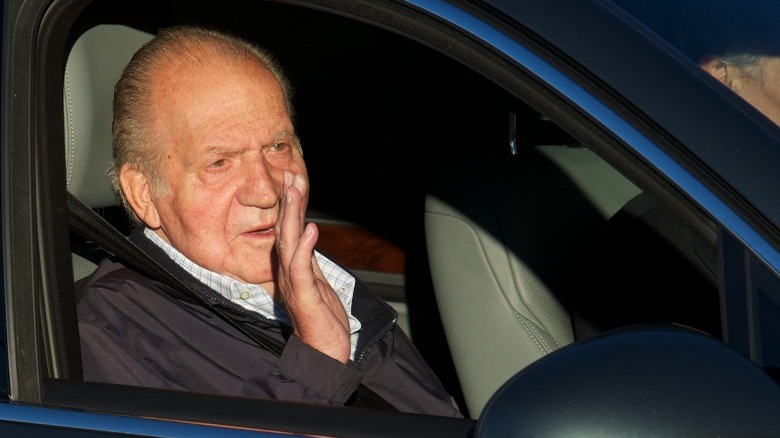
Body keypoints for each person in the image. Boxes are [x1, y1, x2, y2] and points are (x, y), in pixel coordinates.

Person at [76, 25, 461, 417]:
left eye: (278, 147)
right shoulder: (103, 333)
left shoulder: (323, 281)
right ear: (144, 194)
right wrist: (317, 362)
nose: (266, 191)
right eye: (220, 163)